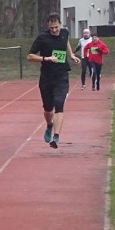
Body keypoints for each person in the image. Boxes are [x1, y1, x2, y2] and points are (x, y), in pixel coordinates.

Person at [27, 13, 81, 149]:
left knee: (59, 105)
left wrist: (71, 55)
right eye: (52, 28)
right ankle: (49, 125)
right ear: (48, 26)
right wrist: (46, 58)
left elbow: (66, 41)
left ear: (60, 24)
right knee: (48, 109)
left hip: (62, 76)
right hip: (46, 77)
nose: (55, 30)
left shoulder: (65, 33)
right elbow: (30, 56)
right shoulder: (42, 38)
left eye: (57, 27)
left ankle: (56, 137)